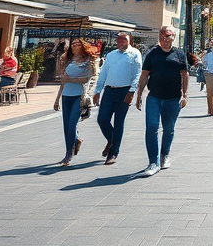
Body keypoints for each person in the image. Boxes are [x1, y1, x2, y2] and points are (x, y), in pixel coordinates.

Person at [136, 26, 188, 176]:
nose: (166, 39)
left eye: (169, 36)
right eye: (163, 36)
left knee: (169, 128)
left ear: (174, 37)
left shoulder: (179, 54)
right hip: (154, 97)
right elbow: (144, 75)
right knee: (151, 127)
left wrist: (185, 94)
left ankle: (165, 154)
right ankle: (153, 162)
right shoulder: (152, 54)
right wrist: (139, 95)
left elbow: (185, 75)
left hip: (173, 98)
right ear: (159, 37)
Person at [92, 32, 143, 166]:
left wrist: (132, 91)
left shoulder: (135, 53)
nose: (121, 42)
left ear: (129, 40)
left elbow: (138, 74)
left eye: (124, 39)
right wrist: (97, 91)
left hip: (124, 91)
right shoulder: (111, 55)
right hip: (109, 91)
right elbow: (103, 73)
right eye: (119, 40)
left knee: (119, 122)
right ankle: (112, 139)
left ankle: (113, 153)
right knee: (102, 119)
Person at [53, 38, 97, 167]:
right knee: (66, 127)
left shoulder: (88, 62)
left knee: (72, 125)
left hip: (79, 96)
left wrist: (71, 79)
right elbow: (63, 82)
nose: (75, 46)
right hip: (66, 96)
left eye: (78, 44)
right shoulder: (68, 62)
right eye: (73, 44)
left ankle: (70, 153)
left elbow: (87, 79)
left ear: (83, 47)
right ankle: (68, 150)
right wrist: (57, 99)